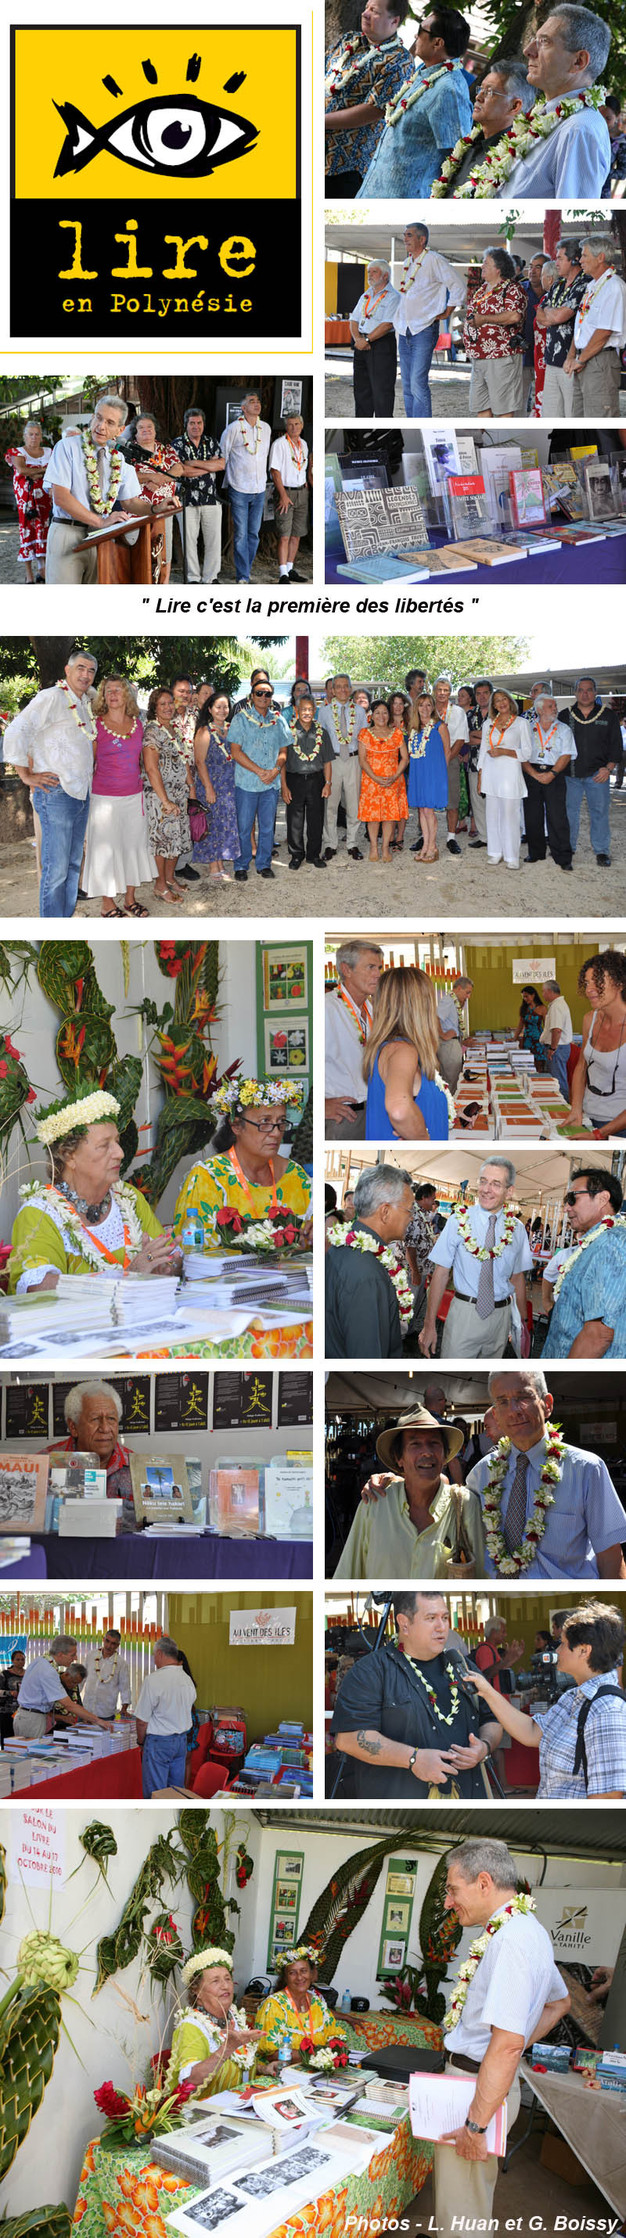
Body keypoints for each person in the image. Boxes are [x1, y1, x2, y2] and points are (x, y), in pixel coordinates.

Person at [434, 1839, 570, 2229]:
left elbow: (508, 2041)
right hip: (485, 2081)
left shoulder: (511, 1940)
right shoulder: (529, 1931)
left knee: (461, 2215)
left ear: (483, 1882)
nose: (448, 1901)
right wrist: (506, 2050)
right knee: (468, 2200)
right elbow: (559, 2004)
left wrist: (476, 2125)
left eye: (452, 1890)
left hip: (476, 2089)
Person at [8, 1084, 180, 1292]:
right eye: (104, 1145)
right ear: (69, 1155)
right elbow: (37, 1286)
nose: (120, 1153)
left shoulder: (129, 1198)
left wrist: (167, 1266)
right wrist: (127, 1278)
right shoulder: (40, 1212)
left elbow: (166, 1259)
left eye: (117, 1141)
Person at [331, 1592, 501, 1798]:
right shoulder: (370, 1671)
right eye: (431, 1618)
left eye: (445, 1617)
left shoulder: (463, 1666)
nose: (442, 1626)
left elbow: (492, 1719)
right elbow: (347, 1739)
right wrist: (413, 1759)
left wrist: (484, 1747)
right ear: (404, 1623)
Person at [469, 1603, 626, 1797]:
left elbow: (608, 1798)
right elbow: (532, 1731)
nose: (556, 1651)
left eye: (562, 1644)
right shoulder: (573, 1697)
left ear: (584, 1651)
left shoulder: (608, 1710)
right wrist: (486, 1690)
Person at [2, 647, 98, 918]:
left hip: (81, 793)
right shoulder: (52, 697)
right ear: (67, 670)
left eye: (91, 671)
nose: (86, 674)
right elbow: (17, 729)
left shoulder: (85, 702)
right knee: (55, 868)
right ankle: (51, 928)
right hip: (57, 792)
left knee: (72, 864)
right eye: (80, 668)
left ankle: (64, 920)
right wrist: (25, 775)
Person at [333, 1407, 484, 1577]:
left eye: (434, 1443)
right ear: (399, 1458)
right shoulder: (375, 1504)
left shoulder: (464, 1505)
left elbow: (483, 1579)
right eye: (415, 1444)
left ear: (444, 1455)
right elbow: (347, 1575)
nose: (426, 1451)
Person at [172, 1080, 310, 1252]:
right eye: (265, 1122)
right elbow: (192, 1253)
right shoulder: (208, 1177)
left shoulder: (295, 1175)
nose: (276, 1132)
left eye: (281, 1122)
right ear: (236, 1126)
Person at [420, 1156, 533, 1360]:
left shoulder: (517, 1229)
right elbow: (441, 1273)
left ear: (510, 1191)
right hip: (465, 1313)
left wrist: (523, 1323)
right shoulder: (457, 1221)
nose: (486, 1189)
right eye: (483, 1181)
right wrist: (429, 1326)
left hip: (501, 1317)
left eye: (496, 1184)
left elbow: (517, 1278)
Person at [43, 395, 161, 583]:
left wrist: (157, 508)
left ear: (120, 430)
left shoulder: (120, 458)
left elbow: (130, 501)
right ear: (92, 417)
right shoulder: (66, 447)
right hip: (67, 532)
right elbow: (61, 497)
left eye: (110, 422)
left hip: (102, 538)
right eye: (98, 417)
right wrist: (100, 522)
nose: (101, 426)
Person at [357, 10, 473, 199]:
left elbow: (457, 158)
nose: (415, 36)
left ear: (438, 43)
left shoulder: (448, 90)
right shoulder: (425, 72)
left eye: (421, 31)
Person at [501, 5, 612, 199]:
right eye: (534, 40)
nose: (528, 51)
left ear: (578, 61)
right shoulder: (546, 114)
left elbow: (569, 221)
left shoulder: (579, 130)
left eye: (544, 42)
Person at [325, 0, 415, 195]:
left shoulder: (400, 61)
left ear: (394, 20)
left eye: (373, 11)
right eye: (366, 8)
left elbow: (374, 109)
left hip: (342, 165)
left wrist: (318, 122)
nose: (365, 14)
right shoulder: (349, 39)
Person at [83, 672, 154, 918]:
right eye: (108, 690)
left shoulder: (138, 725)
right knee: (107, 851)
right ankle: (107, 904)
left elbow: (145, 762)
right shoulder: (95, 725)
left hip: (134, 797)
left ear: (127, 695)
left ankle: (130, 899)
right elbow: (87, 763)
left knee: (133, 846)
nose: (113, 694)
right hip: (104, 799)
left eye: (117, 690)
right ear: (102, 695)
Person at [325, 1163, 415, 1359]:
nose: (411, 1218)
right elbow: (367, 1354)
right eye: (409, 1211)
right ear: (385, 1212)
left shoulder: (346, 1244)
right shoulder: (368, 1273)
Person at [542, 1166, 626, 1358]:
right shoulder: (597, 1241)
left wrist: (564, 1379)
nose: (566, 1208)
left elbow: (599, 1335)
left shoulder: (611, 1244)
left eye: (572, 1198)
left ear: (602, 1199)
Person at [362, 965, 450, 1140]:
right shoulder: (402, 1050)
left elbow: (418, 1102)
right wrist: (422, 1140)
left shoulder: (394, 1047)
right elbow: (399, 1109)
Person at [390, 223, 467, 419]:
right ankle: (412, 424)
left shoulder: (434, 260)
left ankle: (423, 427)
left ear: (422, 239)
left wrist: (447, 311)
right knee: (407, 384)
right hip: (405, 328)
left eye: (409, 235)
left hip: (424, 328)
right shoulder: (408, 262)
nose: (405, 238)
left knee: (417, 382)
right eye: (404, 235)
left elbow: (458, 286)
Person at [432, 61, 536, 196]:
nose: (478, 97)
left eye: (489, 92)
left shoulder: (514, 162)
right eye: (480, 89)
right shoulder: (469, 144)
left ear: (514, 106)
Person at [48, 1378, 138, 1534]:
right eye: (95, 1419)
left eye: (111, 1419)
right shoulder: (44, 1463)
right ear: (73, 1427)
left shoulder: (138, 1466)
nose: (105, 1428)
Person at [169, 1949, 264, 2097]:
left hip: (237, 2106)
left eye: (227, 1979)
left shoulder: (235, 2016)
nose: (225, 1986)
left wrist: (264, 2069)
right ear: (197, 1991)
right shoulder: (191, 2026)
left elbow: (240, 2064)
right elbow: (191, 2081)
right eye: (215, 1981)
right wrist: (227, 2048)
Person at [226, 676, 288, 881]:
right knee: (244, 826)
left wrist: (275, 770)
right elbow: (235, 751)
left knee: (267, 827)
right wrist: (259, 771)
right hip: (247, 783)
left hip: (270, 784)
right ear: (252, 696)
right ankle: (242, 864)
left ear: (271, 697)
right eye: (259, 693)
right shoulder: (240, 719)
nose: (263, 696)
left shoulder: (279, 720)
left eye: (267, 693)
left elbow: (283, 751)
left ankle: (263, 864)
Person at [325, 938, 384, 1139]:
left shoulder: (371, 1008)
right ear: (346, 969)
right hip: (343, 1116)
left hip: (373, 1109)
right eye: (370, 967)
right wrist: (321, 1105)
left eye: (379, 967)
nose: (377, 974)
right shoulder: (326, 1008)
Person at [142, 685, 193, 905]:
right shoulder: (152, 731)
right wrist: (165, 801)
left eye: (170, 703)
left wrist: (190, 786)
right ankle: (160, 886)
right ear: (154, 707)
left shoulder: (174, 729)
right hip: (160, 796)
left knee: (178, 838)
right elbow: (152, 768)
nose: (167, 707)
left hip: (179, 793)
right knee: (163, 841)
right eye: (162, 704)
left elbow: (184, 760)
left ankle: (170, 878)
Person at [563, 674, 621, 867]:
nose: (585, 694)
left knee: (599, 813)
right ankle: (568, 847)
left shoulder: (608, 715)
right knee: (570, 812)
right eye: (581, 690)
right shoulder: (565, 715)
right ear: (575, 693)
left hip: (599, 775)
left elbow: (616, 745)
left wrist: (608, 768)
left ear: (595, 692)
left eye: (589, 690)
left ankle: (602, 851)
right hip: (570, 775)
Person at [565, 237, 626, 415]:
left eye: (584, 255)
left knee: (599, 419)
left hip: (599, 361)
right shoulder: (592, 285)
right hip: (584, 358)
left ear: (600, 257)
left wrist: (581, 359)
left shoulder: (614, 286)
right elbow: (582, 324)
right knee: (578, 420)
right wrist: (571, 356)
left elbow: (604, 331)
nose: (580, 260)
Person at [464, 250, 527, 418]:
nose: (482, 266)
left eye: (486, 263)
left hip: (501, 355)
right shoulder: (481, 290)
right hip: (479, 356)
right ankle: (482, 443)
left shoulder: (512, 288)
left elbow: (514, 315)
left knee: (503, 409)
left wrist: (483, 319)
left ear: (498, 268)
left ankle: (503, 443)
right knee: (482, 408)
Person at [121, 411, 183, 583]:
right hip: (137, 511)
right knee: (138, 549)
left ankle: (163, 583)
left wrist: (158, 479)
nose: (146, 430)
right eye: (141, 427)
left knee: (164, 550)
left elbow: (178, 469)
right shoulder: (128, 451)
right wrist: (150, 477)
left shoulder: (166, 449)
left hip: (165, 510)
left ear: (156, 430)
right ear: (135, 432)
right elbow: (124, 475)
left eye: (150, 427)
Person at [570, 948, 626, 1136]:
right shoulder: (590, 1019)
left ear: (619, 983)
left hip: (619, 1127)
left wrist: (598, 1135)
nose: (589, 989)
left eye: (598, 981)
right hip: (588, 1118)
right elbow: (581, 1066)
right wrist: (576, 1108)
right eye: (586, 983)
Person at [13, 1635, 113, 1738]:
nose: (75, 1658)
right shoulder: (48, 1670)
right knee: (31, 1752)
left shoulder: (41, 1661)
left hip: (30, 1717)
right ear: (61, 1654)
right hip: (32, 1719)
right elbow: (68, 1705)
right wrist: (98, 1720)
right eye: (72, 1655)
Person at [256, 1951, 347, 2061]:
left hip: (316, 2069)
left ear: (312, 1974)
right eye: (292, 1973)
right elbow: (272, 2054)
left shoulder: (317, 2003)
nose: (299, 1977)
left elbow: (334, 2035)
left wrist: (334, 2049)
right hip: (281, 2071)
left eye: (304, 1971)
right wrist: (316, 2056)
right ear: (285, 1978)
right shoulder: (274, 2005)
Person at [134, 1635, 196, 1795]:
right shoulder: (187, 1679)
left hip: (159, 1743)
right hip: (181, 1741)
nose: (155, 1660)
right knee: (175, 1792)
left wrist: (141, 1743)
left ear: (160, 1653)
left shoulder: (154, 1680)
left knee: (156, 1793)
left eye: (155, 1656)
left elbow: (141, 1721)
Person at [477, 689, 531, 871]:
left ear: (510, 701)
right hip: (491, 774)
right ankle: (495, 852)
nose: (501, 703)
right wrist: (480, 777)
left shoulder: (522, 723)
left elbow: (527, 752)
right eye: (497, 700)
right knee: (492, 815)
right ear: (493, 705)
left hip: (510, 774)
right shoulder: (488, 724)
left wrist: (505, 751)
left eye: (504, 699)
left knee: (510, 815)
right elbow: (483, 751)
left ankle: (512, 855)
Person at [219, 394, 271, 583]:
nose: (257, 404)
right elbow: (222, 456)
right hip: (239, 487)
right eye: (252, 402)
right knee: (240, 534)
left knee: (254, 533)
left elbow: (263, 455)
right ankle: (243, 575)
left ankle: (246, 570)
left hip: (259, 488)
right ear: (243, 408)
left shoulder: (265, 428)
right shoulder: (233, 429)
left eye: (258, 401)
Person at [522, 691, 575, 875]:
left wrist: (551, 774)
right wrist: (534, 774)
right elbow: (521, 755)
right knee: (532, 816)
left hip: (555, 773)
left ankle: (563, 857)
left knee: (557, 816)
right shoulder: (527, 727)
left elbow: (566, 754)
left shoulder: (564, 729)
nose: (555, 708)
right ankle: (536, 853)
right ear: (539, 709)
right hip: (532, 773)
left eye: (555, 705)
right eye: (551, 706)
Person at [192, 688, 240, 883]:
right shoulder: (204, 731)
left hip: (229, 784)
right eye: (218, 707)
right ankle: (213, 866)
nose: (222, 710)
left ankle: (220, 862)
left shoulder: (231, 728)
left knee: (224, 824)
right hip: (211, 784)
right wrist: (209, 787)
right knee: (212, 824)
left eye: (225, 707)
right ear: (209, 709)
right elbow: (199, 762)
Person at [281, 689, 332, 870]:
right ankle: (296, 855)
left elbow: (327, 761)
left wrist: (327, 783)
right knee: (294, 820)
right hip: (294, 779)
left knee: (316, 819)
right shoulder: (288, 732)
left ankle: (313, 855)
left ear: (314, 710)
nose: (307, 712)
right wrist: (284, 786)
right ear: (296, 710)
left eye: (310, 709)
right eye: (303, 709)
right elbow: (283, 761)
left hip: (316, 780)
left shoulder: (322, 733)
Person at [173, 404, 224, 584]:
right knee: (189, 541)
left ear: (203, 424)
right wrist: (208, 465)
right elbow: (182, 471)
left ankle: (211, 577)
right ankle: (193, 577)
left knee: (213, 541)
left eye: (199, 423)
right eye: (192, 423)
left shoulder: (212, 442)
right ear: (186, 425)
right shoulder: (177, 444)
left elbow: (221, 465)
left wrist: (193, 463)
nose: (196, 426)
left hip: (211, 498)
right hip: (186, 500)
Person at [537, 238, 586, 416]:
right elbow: (540, 316)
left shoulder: (584, 284)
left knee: (572, 415)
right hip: (551, 361)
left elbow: (560, 316)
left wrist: (553, 315)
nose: (555, 263)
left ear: (573, 260)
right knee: (551, 415)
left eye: (559, 258)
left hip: (571, 362)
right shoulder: (557, 284)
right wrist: (554, 315)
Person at [357, 696, 409, 864]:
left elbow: (405, 758)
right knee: (373, 817)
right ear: (371, 715)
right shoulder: (365, 734)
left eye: (385, 713)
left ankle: (385, 847)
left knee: (389, 816)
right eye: (377, 713)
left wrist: (394, 776)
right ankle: (373, 846)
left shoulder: (397, 733)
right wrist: (375, 778)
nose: (381, 716)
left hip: (393, 781)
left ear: (390, 715)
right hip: (372, 781)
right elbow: (362, 760)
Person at [349, 261, 401, 418]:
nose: (369, 275)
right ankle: (362, 429)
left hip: (381, 345)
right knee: (361, 391)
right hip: (360, 344)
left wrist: (368, 340)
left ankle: (382, 430)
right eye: (369, 272)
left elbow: (387, 324)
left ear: (385, 275)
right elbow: (353, 319)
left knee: (381, 392)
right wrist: (358, 339)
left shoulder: (394, 297)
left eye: (374, 272)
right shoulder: (365, 294)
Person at [6, 419, 52, 582]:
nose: (34, 437)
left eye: (37, 434)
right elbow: (22, 470)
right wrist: (42, 471)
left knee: (44, 530)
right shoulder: (17, 452)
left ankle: (43, 570)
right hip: (26, 501)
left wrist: (35, 472)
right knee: (27, 531)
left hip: (46, 500)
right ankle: (29, 574)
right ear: (24, 436)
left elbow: (53, 472)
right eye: (30, 434)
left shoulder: (48, 451)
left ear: (41, 436)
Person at [407, 690, 448, 862]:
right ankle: (425, 845)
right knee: (422, 810)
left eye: (428, 705)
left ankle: (433, 846)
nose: (424, 708)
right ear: (416, 707)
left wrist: (441, 776)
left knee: (429, 811)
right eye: (421, 705)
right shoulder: (414, 729)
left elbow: (447, 751)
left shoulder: (440, 727)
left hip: (434, 774)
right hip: (418, 773)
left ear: (433, 707)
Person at [269, 415, 311, 584]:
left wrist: (305, 482)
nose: (294, 427)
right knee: (285, 535)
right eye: (290, 424)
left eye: (297, 424)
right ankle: (282, 573)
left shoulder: (304, 444)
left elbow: (304, 466)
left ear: (301, 425)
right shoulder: (279, 444)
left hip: (302, 492)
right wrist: (283, 495)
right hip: (285, 492)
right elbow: (275, 471)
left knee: (297, 534)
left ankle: (290, 567)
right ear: (286, 426)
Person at [82, 1628, 131, 1720]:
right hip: (86, 1710)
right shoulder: (91, 1655)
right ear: (103, 1640)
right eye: (107, 1641)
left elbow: (125, 1688)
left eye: (113, 1644)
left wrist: (124, 1709)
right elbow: (81, 1679)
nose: (109, 1646)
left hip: (106, 1713)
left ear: (118, 1645)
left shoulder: (121, 1663)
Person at [437, 975, 473, 1093]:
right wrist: (443, 1034)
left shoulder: (456, 1002)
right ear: (458, 988)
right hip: (448, 1044)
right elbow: (435, 1017)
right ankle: (449, 1108)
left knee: (454, 1079)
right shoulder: (448, 1000)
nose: (468, 996)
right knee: (451, 1081)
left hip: (454, 1043)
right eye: (467, 992)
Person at [539, 978, 574, 1100]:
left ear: (549, 991)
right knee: (556, 1078)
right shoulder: (557, 1005)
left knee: (557, 1080)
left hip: (557, 1048)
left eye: (543, 991)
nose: (543, 994)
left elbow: (557, 1030)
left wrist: (552, 1048)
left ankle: (563, 1104)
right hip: (559, 1048)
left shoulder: (557, 1006)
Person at [466, 678, 491, 845]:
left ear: (491, 693)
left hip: (496, 763)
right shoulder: (469, 714)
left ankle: (497, 836)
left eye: (485, 693)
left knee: (494, 801)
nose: (482, 697)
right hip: (474, 763)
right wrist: (486, 737)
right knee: (477, 801)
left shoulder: (499, 712)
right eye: (479, 694)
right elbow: (465, 737)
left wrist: (477, 735)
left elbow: (497, 738)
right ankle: (484, 837)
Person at [533, 259, 559, 414]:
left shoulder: (551, 297)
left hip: (548, 354)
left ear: (549, 278)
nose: (540, 279)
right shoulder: (549, 297)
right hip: (542, 353)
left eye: (542, 275)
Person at [515, 986, 547, 1066]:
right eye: (523, 997)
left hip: (539, 1039)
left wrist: (547, 1040)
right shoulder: (524, 1009)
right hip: (527, 1039)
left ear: (533, 995)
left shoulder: (542, 1008)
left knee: (539, 1063)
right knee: (527, 1062)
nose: (525, 999)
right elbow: (520, 1025)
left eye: (527, 996)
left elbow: (547, 1025)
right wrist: (515, 1037)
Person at [601, 91, 626, 191]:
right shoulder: (595, 132)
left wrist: (602, 172)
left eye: (608, 118)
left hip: (602, 190)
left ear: (618, 116)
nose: (603, 122)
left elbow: (622, 173)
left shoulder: (622, 142)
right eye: (601, 117)